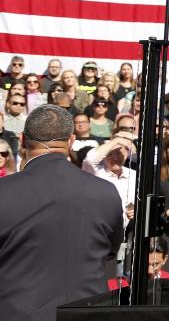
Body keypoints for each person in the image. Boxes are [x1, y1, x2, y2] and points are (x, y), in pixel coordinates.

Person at [0, 105, 123, 321]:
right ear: (71, 140)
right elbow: (110, 250)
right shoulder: (104, 191)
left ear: (21, 140)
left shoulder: (4, 191)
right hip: (85, 313)